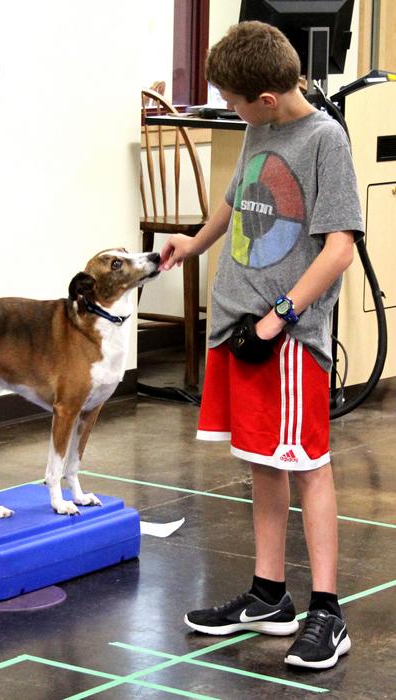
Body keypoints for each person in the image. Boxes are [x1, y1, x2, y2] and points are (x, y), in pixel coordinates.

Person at [160, 21, 363, 670]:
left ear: (266, 99)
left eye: (232, 100)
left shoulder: (324, 141)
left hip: (286, 336)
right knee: (261, 460)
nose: (229, 109)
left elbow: (339, 247)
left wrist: (279, 317)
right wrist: (194, 242)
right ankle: (269, 595)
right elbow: (234, 200)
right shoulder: (259, 129)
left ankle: (326, 612)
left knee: (307, 463)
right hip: (235, 324)